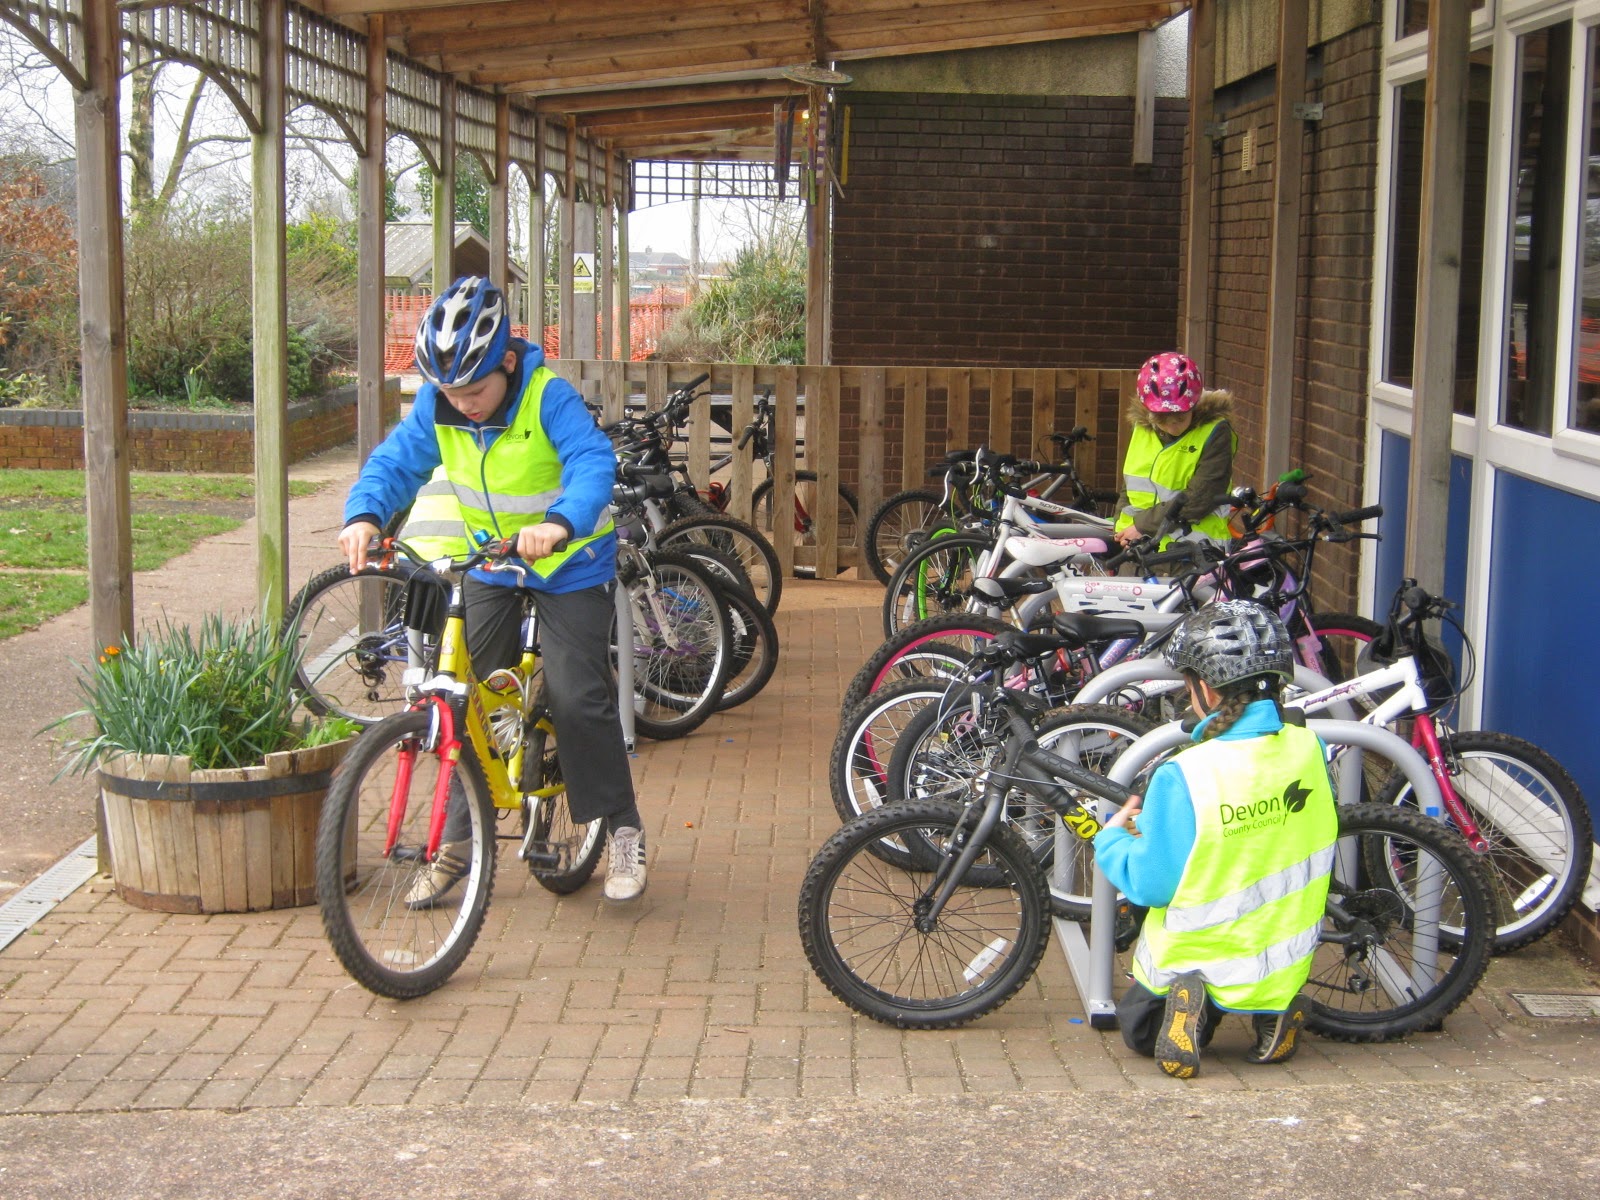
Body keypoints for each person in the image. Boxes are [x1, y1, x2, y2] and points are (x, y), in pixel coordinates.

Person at [338, 275, 647, 904]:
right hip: (490, 565)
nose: (464, 403)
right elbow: (395, 464)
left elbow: (592, 463)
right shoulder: (440, 405)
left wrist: (559, 522)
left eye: (475, 389)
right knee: (464, 700)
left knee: (577, 693)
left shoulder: (546, 396)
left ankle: (622, 829)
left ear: (507, 361)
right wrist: (365, 513)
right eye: (450, 391)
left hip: (569, 563)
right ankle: (456, 845)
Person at [1093, 600, 1338, 1078]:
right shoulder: (1311, 747)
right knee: (1266, 980)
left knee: (1141, 1033)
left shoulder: (1185, 772)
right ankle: (1278, 1012)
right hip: (1282, 957)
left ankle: (1191, 999)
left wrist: (1112, 842)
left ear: (1204, 687)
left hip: (1200, 955)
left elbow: (1151, 884)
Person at [1112, 351, 1237, 549]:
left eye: (1180, 418)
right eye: (1162, 419)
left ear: (1194, 404)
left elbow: (1201, 496)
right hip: (1136, 547)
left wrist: (1143, 526)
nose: (1172, 426)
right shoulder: (1142, 427)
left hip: (1190, 551)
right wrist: (1120, 527)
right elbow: (1130, 487)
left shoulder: (1214, 431)